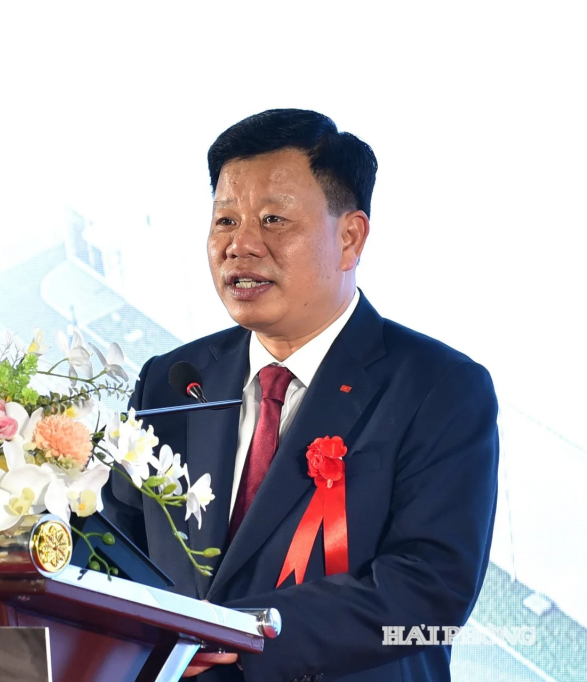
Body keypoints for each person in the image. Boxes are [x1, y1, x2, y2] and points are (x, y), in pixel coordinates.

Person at [102, 109, 499, 682]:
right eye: (225, 221)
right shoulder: (172, 379)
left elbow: (428, 592)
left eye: (273, 220)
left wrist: (237, 631)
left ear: (349, 237)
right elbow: (113, 548)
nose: (240, 246)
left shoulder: (439, 387)